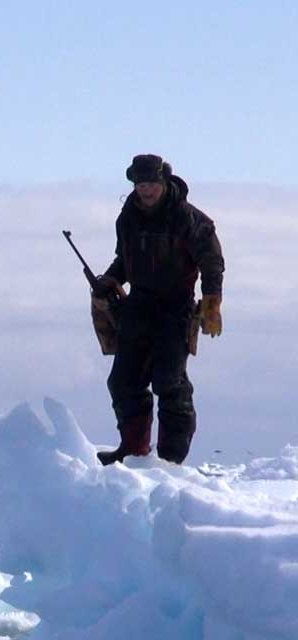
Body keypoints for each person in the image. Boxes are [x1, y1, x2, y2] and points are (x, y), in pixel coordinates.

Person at [93, 154, 225, 465]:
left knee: (169, 380)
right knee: (123, 381)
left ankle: (170, 461)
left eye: (151, 183)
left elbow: (212, 262)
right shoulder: (127, 219)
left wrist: (212, 302)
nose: (147, 190)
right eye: (140, 184)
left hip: (176, 308)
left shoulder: (190, 219)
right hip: (137, 307)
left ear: (163, 181)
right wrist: (110, 279)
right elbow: (124, 260)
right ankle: (134, 450)